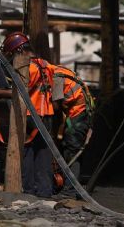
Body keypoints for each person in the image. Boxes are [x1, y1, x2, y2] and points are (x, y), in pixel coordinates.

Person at [0, 32, 55, 197]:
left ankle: (28, 191)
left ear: (18, 52)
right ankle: (44, 191)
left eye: (11, 56)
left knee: (25, 152)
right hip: (47, 115)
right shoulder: (45, 65)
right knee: (43, 155)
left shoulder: (28, 68)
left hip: (33, 116)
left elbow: (18, 91)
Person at [51, 65, 94, 195]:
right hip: (80, 114)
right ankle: (69, 186)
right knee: (70, 149)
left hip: (78, 115)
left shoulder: (56, 77)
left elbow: (55, 105)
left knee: (72, 151)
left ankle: (70, 190)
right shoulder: (61, 71)